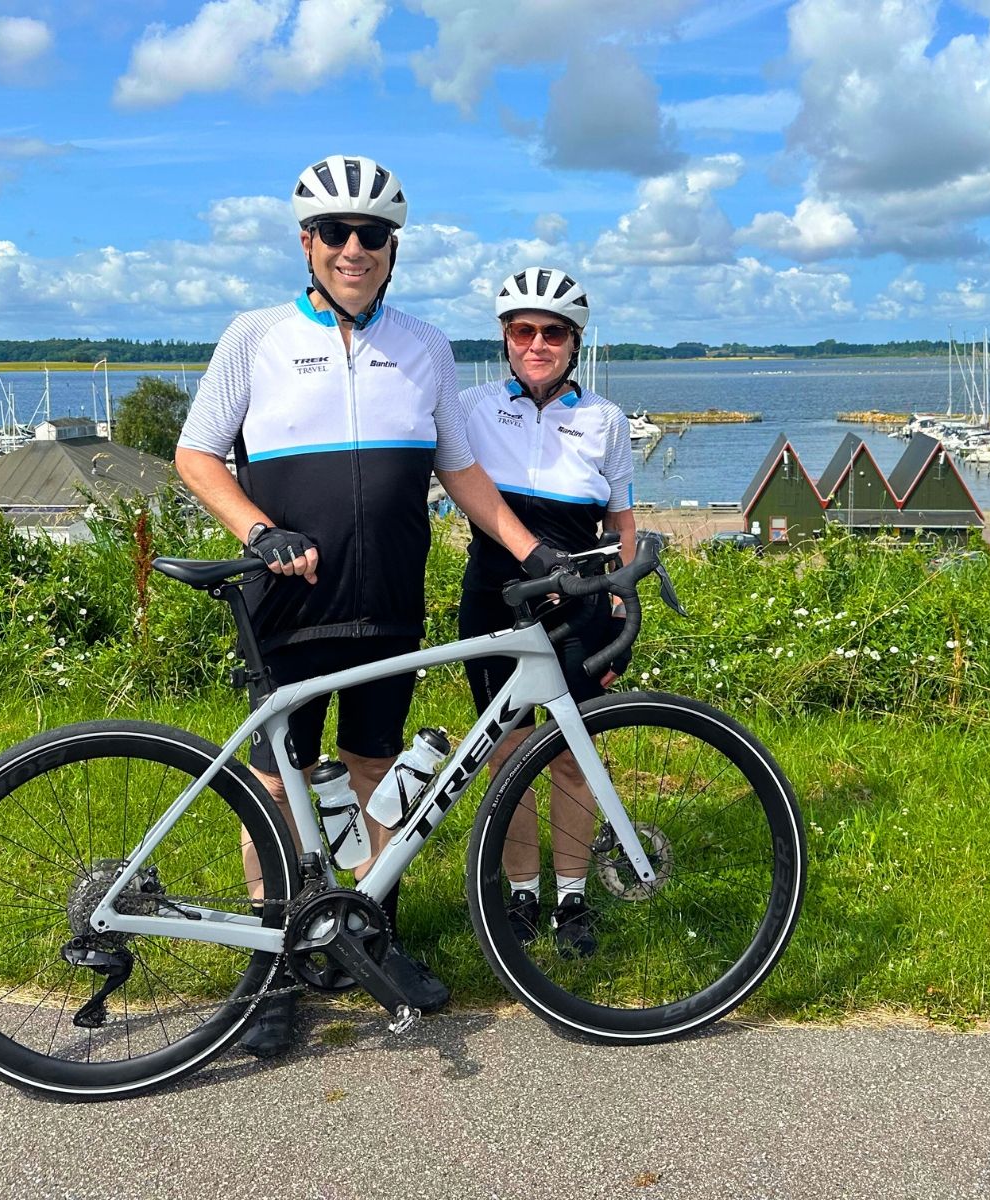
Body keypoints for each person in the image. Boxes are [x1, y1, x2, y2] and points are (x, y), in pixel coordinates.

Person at [175, 156, 551, 1056]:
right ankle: (273, 968)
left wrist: (534, 551)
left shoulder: (425, 346)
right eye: (337, 233)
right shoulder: (255, 336)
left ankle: (368, 935)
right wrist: (258, 529)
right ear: (308, 243)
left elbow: (460, 468)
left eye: (372, 234)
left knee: (374, 769)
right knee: (278, 784)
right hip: (287, 597)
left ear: (392, 248)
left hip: (386, 601)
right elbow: (196, 455)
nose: (355, 248)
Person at [455, 266, 637, 958]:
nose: (537, 344)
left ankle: (572, 900)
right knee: (506, 755)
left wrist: (622, 604)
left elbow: (620, 518)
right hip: (494, 598)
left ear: (574, 342)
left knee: (571, 757)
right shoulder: (471, 407)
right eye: (523, 330)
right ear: (505, 337)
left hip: (578, 605)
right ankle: (523, 894)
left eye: (553, 332)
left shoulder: (605, 419)